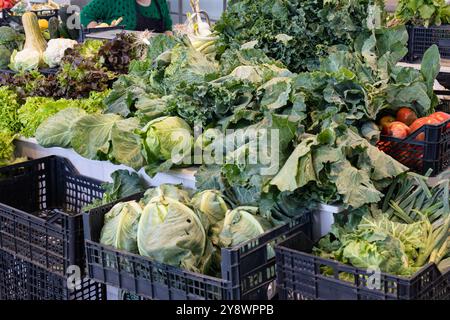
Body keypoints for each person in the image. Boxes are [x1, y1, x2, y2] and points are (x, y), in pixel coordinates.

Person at [80, 0, 173, 33]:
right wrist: (96, 32)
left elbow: (167, 27)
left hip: (153, 63)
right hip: (121, 61)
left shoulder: (160, 2)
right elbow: (86, 14)